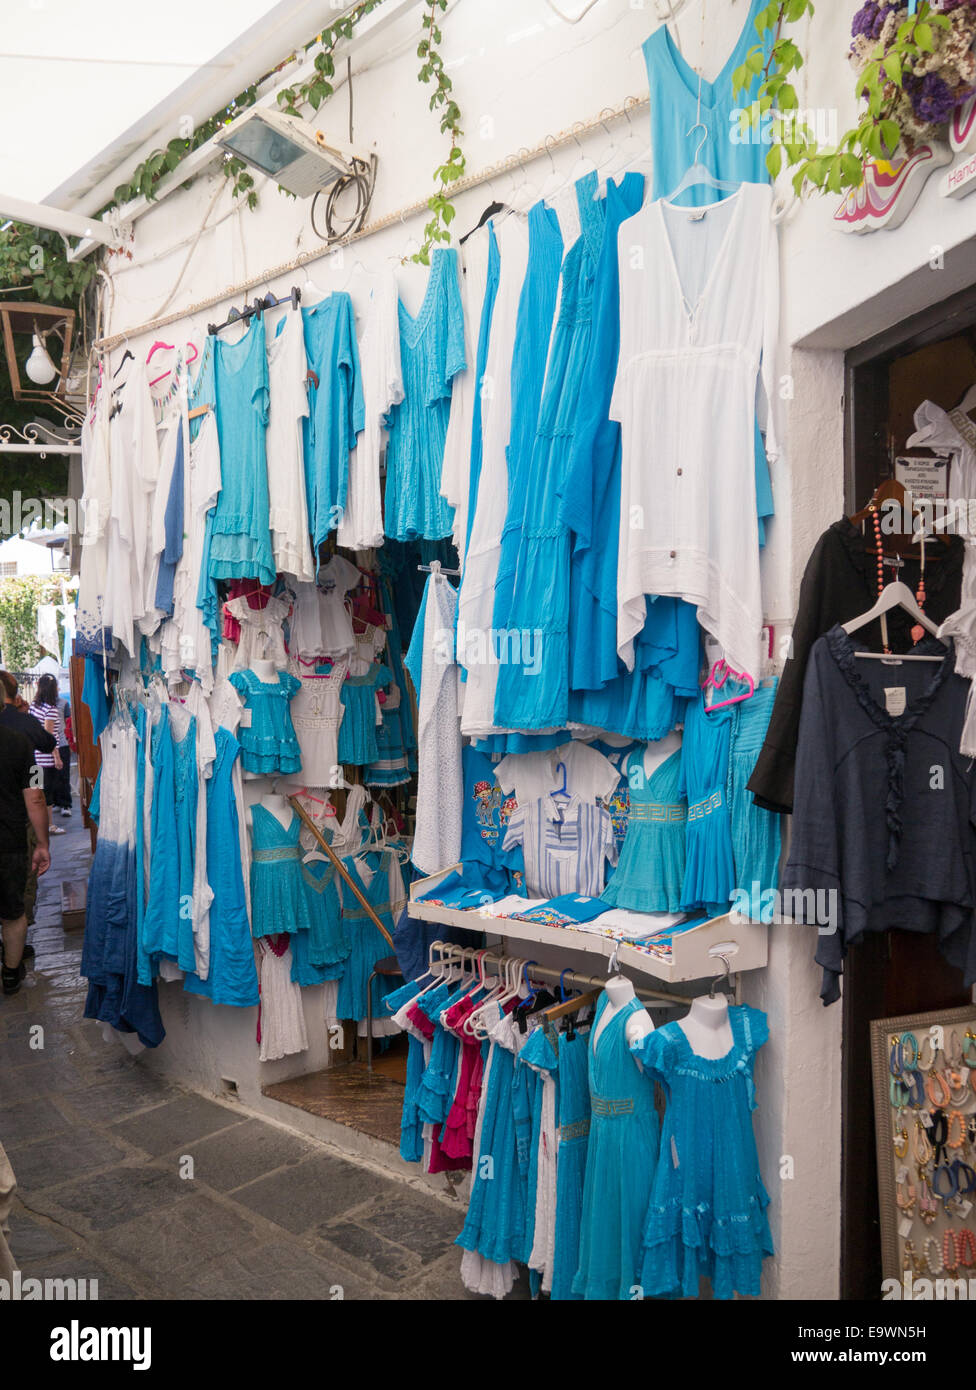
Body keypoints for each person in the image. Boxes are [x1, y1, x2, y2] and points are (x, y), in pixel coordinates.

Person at [0, 721, 50, 995]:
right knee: (13, 913)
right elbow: (36, 796)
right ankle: (10, 973)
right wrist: (42, 842)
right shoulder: (21, 744)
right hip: (9, 841)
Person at [28, 674, 65, 836]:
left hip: (33, 758)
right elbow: (48, 737)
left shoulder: (33, 707)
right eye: (56, 686)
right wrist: (56, 757)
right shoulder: (51, 710)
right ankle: (49, 825)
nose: (58, 689)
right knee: (47, 793)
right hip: (46, 759)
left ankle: (37, 826)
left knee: (36, 792)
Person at [53, 692, 72, 818]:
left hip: (62, 742)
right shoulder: (38, 704)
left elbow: (68, 721)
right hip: (47, 745)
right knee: (51, 776)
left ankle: (66, 804)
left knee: (64, 775)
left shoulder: (63, 703)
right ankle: (56, 801)